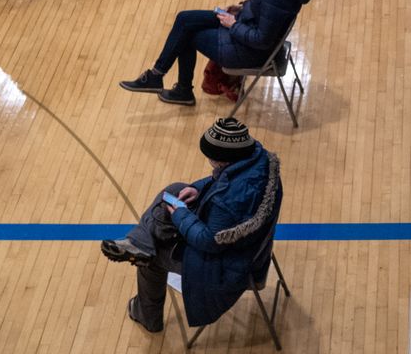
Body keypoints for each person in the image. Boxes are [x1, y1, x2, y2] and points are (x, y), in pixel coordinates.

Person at [100, 116, 283, 335]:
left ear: (224, 160)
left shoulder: (229, 201)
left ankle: (147, 316)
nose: (209, 161)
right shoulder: (257, 160)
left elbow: (210, 241)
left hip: (230, 265)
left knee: (152, 258)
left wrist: (181, 216)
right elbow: (223, 180)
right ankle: (141, 241)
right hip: (253, 246)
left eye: (211, 157)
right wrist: (198, 188)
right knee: (176, 190)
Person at [119, 0, 314, 105]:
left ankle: (181, 90)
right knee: (184, 19)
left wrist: (233, 24)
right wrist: (244, 7)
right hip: (244, 23)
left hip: (249, 51)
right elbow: (268, 11)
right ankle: (157, 75)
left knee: (187, 37)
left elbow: (262, 40)